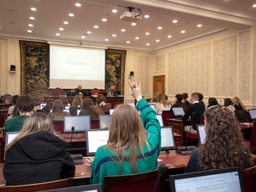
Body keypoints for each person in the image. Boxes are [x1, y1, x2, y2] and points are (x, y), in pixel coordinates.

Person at [90, 78, 161, 185]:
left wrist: (95, 163)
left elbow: (94, 185)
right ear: (138, 123)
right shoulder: (151, 145)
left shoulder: (102, 154)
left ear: (114, 126)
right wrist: (139, 97)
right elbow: (153, 119)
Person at [3, 113, 75, 186]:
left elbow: (7, 175)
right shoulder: (58, 147)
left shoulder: (12, 147)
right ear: (50, 128)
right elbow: (69, 174)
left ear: (26, 127)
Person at [185, 105, 254, 173]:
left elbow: (186, 181)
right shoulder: (242, 152)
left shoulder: (198, 155)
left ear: (209, 128)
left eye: (204, 123)